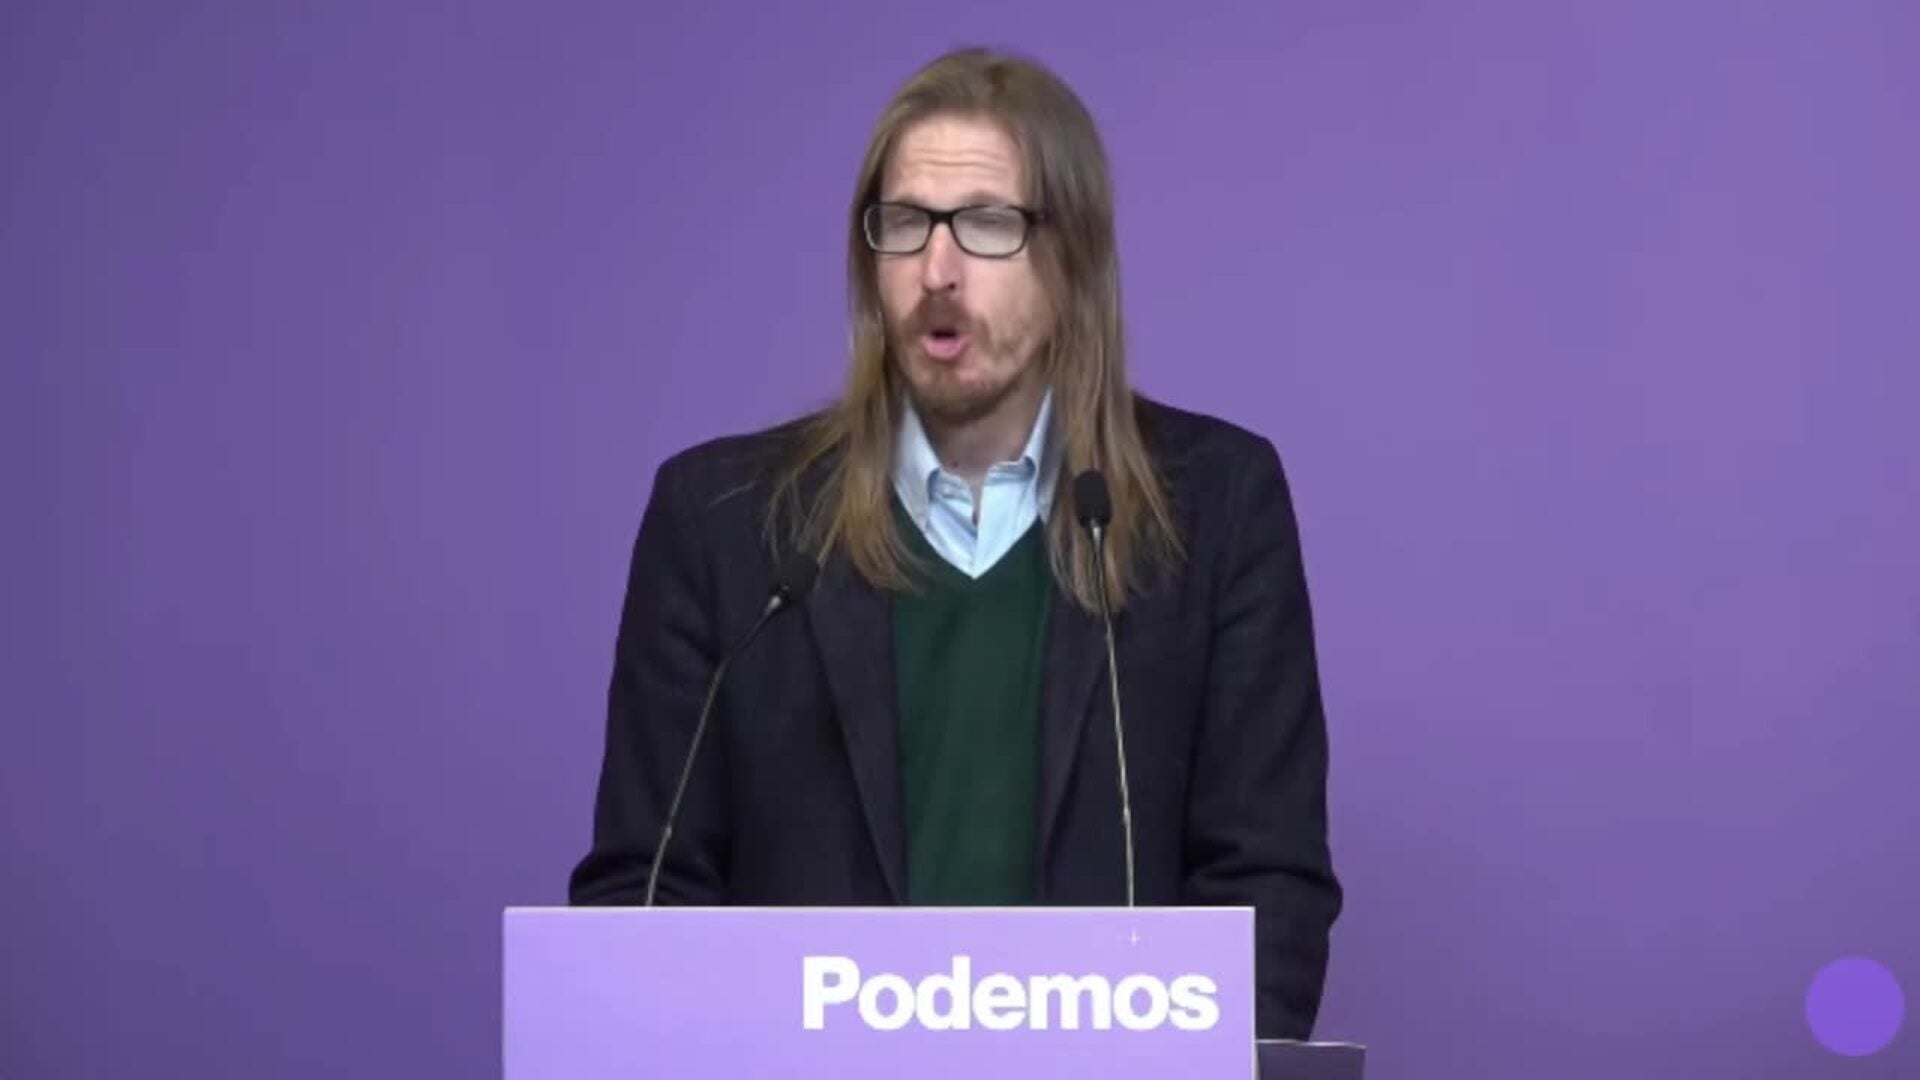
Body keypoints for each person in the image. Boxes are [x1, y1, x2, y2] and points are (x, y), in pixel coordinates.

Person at [568, 46, 1342, 1039]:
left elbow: (1267, 889)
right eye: (905, 225)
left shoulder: (1217, 506)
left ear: (1072, 259)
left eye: (986, 224)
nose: (937, 271)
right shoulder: (722, 522)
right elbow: (647, 890)